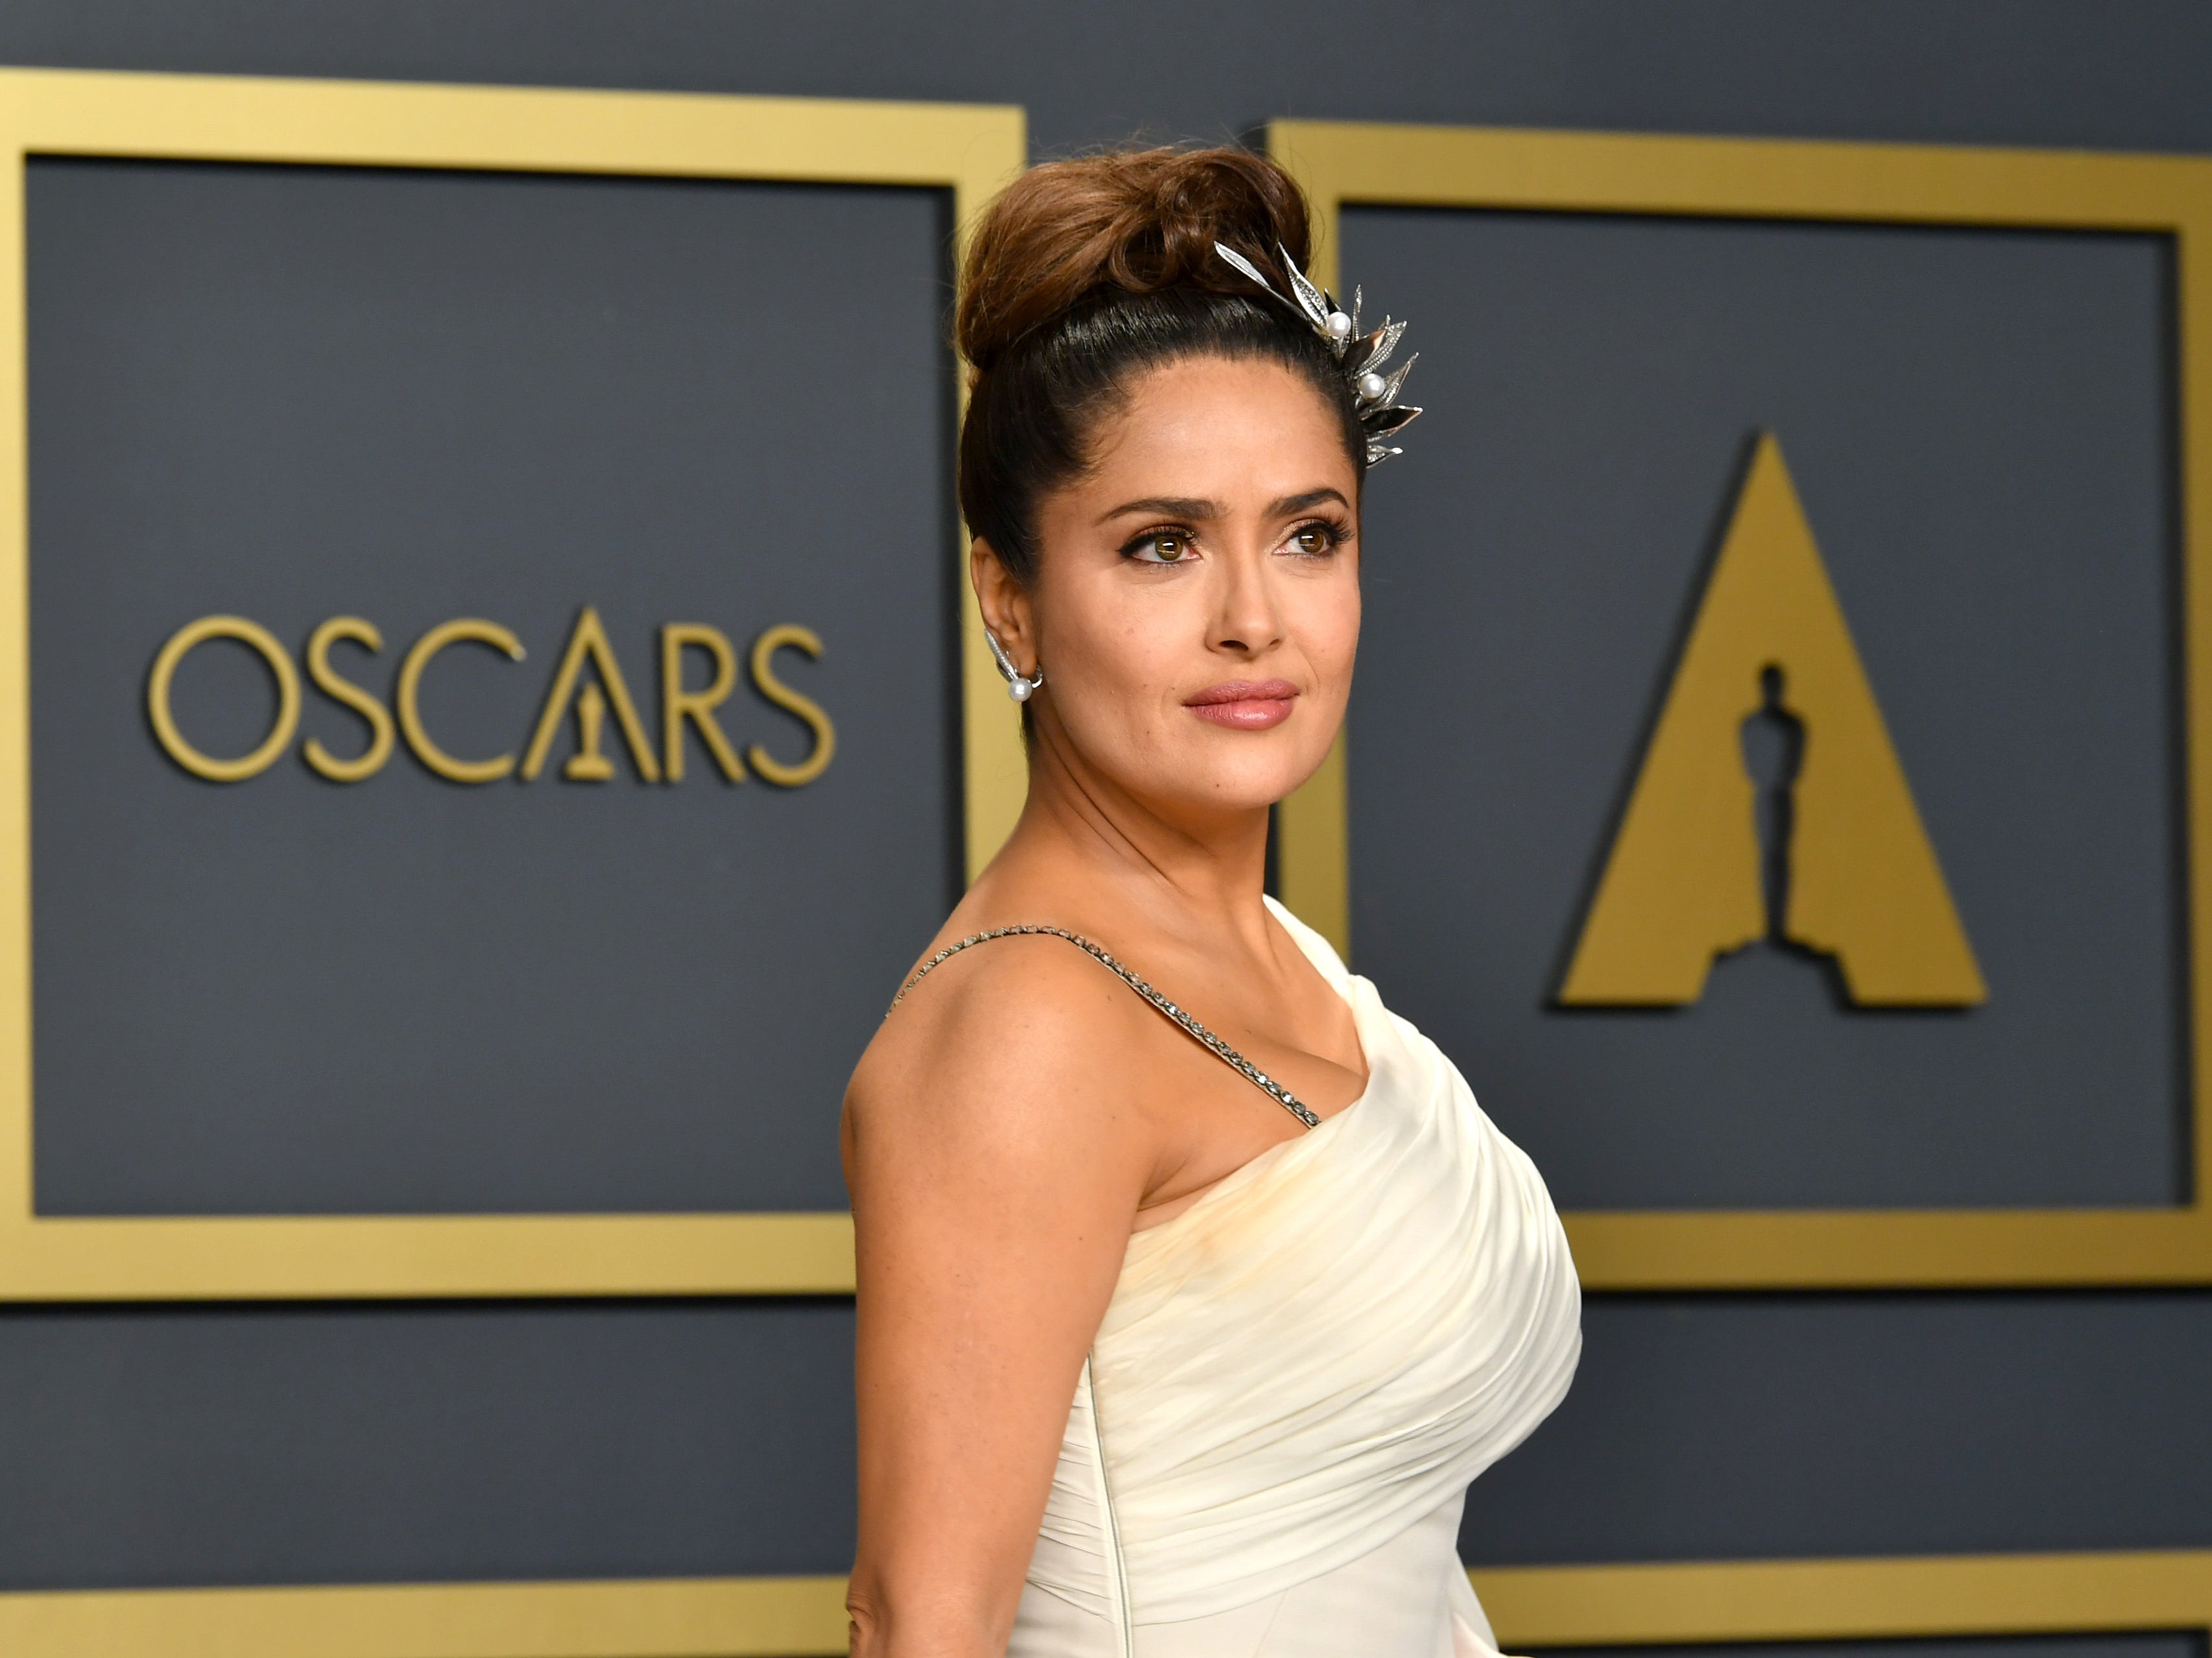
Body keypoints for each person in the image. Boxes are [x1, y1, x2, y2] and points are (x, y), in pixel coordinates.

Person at [841, 145, 1581, 1658]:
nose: (1255, 620)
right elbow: (922, 1624)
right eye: (1161, 546)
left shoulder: (1281, 961)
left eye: (1309, 535)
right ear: (1010, 598)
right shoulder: (1029, 1024)